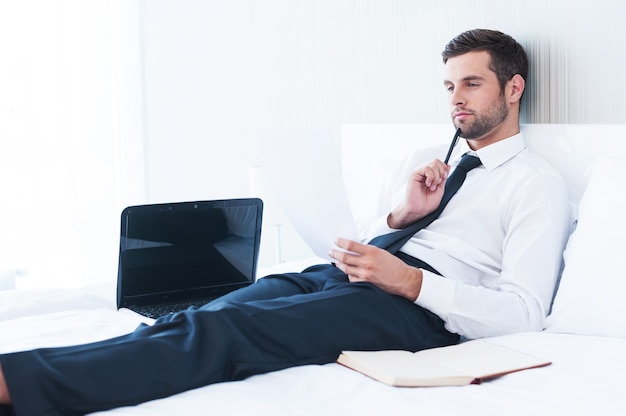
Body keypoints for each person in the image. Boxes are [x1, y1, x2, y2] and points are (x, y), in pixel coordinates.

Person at [0, 29, 571, 415]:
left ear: (513, 88)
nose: (456, 101)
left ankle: (18, 385)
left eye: (471, 84)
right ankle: (68, 367)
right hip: (350, 275)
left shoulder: (535, 184)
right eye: (449, 86)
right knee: (212, 310)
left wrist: (410, 281)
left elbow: (524, 314)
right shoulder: (430, 161)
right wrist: (402, 215)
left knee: (225, 334)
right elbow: (381, 234)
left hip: (415, 307)